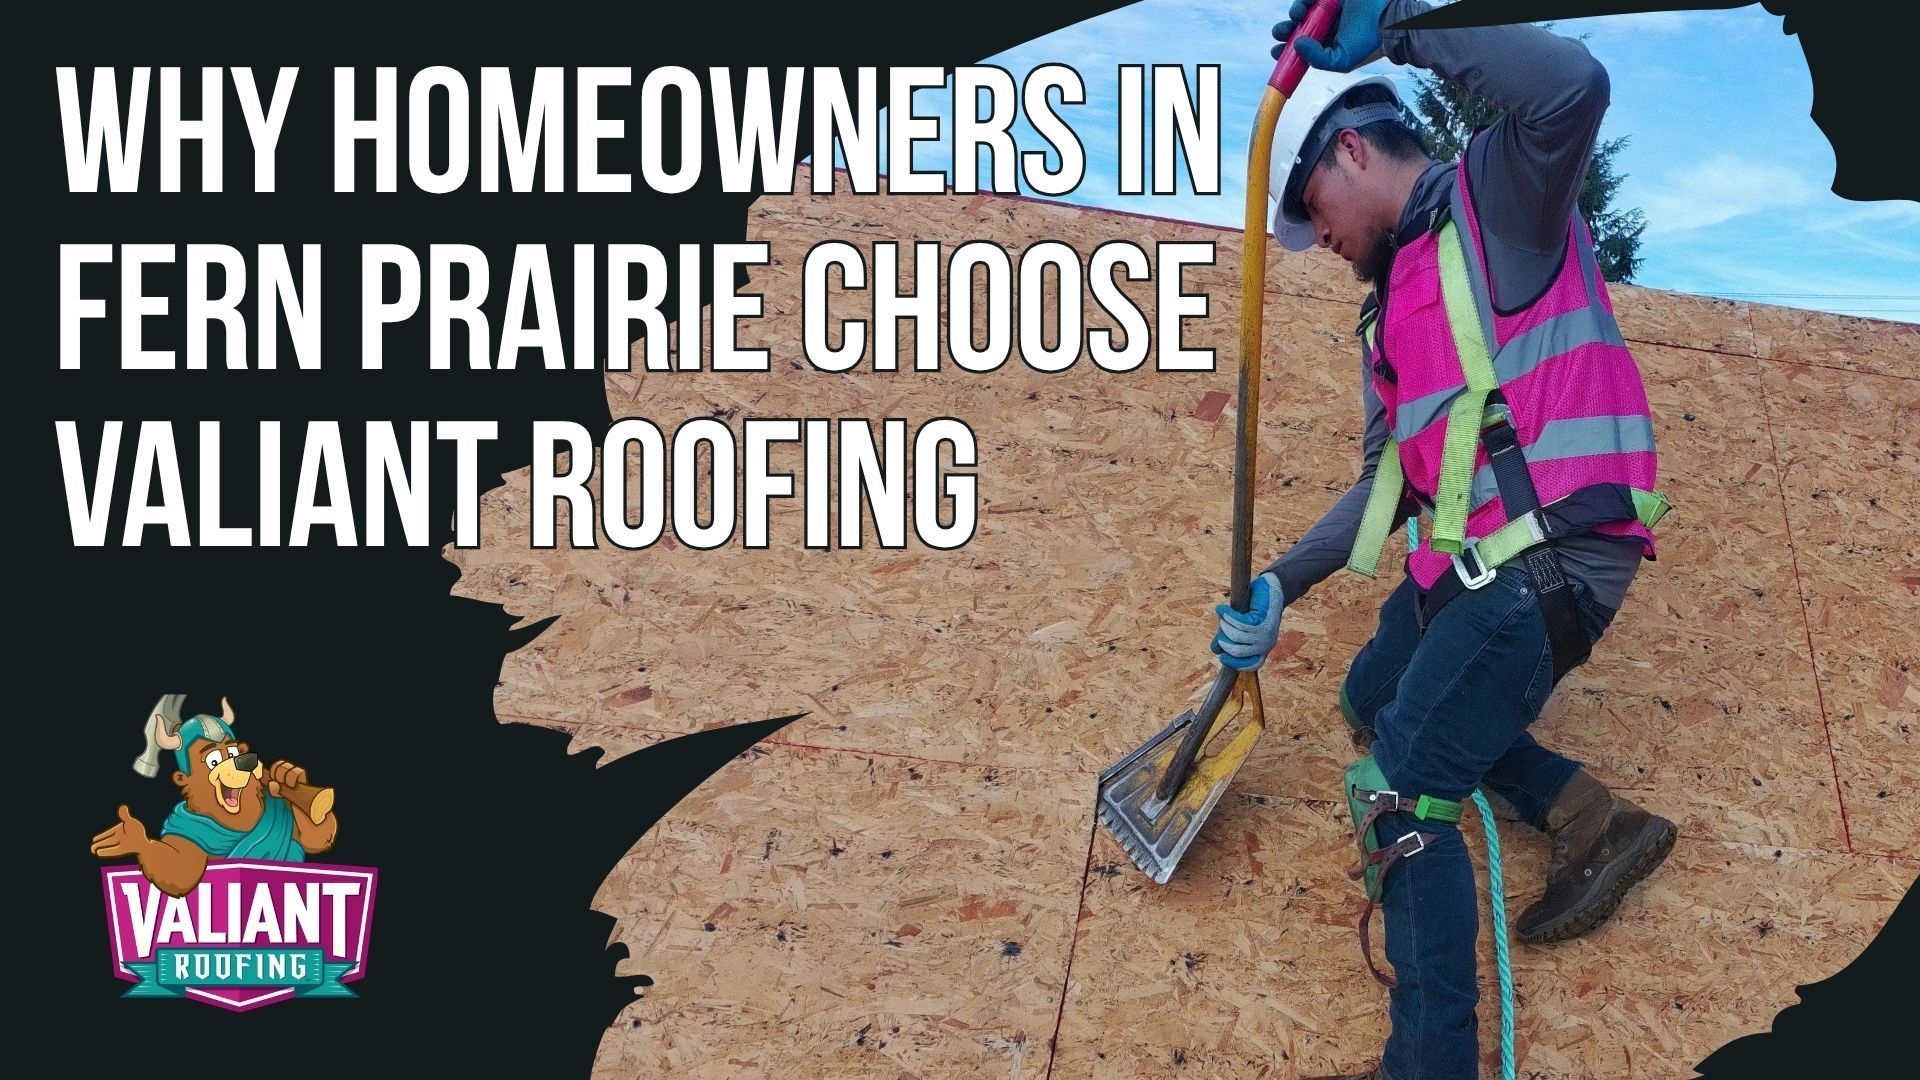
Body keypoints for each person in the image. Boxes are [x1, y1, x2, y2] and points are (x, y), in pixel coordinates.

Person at [1209, 2, 1678, 1077]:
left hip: (1548, 559)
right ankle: (1584, 813)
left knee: (1400, 780)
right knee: (1374, 693)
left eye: (1311, 209)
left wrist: (1404, 22)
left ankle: (1431, 1064)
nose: (1316, 240)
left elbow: (1573, 87)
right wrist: (1280, 586)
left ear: (1354, 148)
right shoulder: (1390, 320)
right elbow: (1385, 484)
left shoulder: (1496, 203)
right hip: (1473, 575)